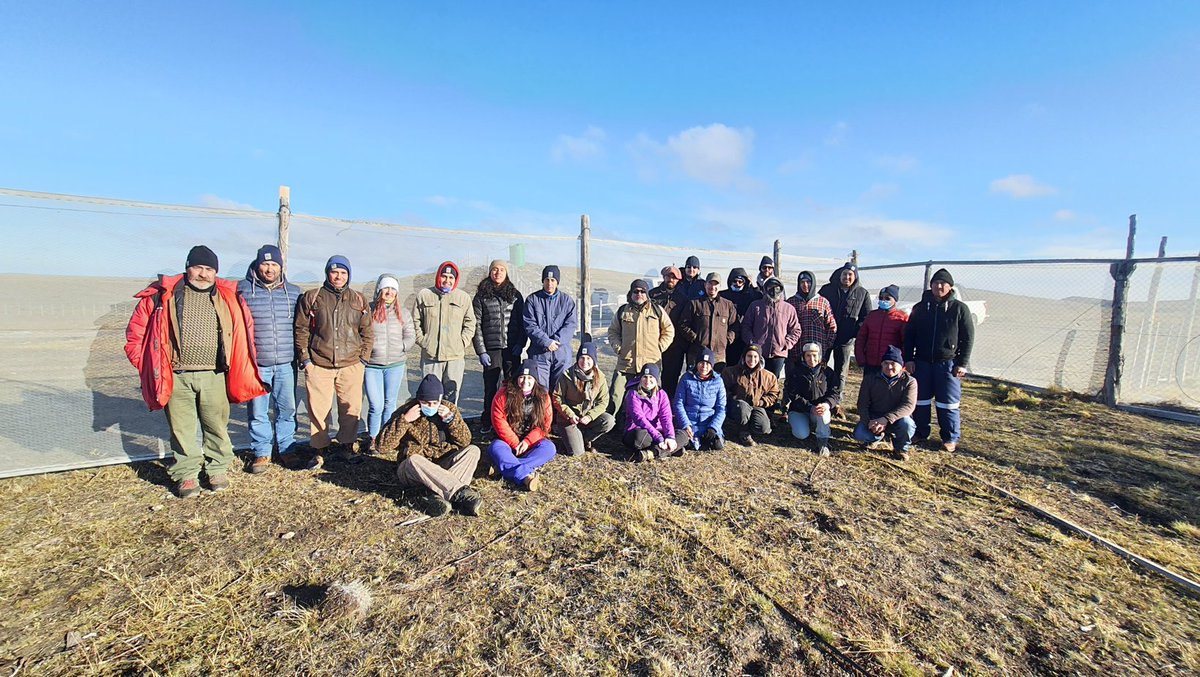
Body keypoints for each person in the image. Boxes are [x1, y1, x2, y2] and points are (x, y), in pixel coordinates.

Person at [125, 245, 266, 497]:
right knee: (182, 427)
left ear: (215, 272)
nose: (203, 274)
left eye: (209, 269)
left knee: (216, 424)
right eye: (198, 267)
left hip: (215, 373)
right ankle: (187, 474)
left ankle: (217, 468)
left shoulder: (228, 297)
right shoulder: (162, 297)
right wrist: (148, 365)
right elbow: (136, 334)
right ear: (187, 267)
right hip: (176, 374)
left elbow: (245, 332)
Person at [295, 255, 373, 469]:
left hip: (351, 364)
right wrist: (306, 360)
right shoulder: (313, 297)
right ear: (327, 273)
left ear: (349, 275)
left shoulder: (358, 300)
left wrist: (363, 360)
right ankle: (319, 450)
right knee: (318, 410)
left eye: (343, 273)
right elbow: (301, 329)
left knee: (351, 408)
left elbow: (367, 331)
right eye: (334, 272)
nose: (338, 276)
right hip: (319, 363)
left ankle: (347, 447)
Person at [377, 374, 483, 517]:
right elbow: (381, 446)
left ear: (440, 399)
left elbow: (465, 441)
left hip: (442, 463)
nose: (431, 406)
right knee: (414, 460)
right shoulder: (406, 411)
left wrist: (451, 421)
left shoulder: (449, 408)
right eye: (426, 402)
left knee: (473, 450)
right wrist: (405, 420)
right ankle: (459, 495)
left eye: (435, 402)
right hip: (413, 469)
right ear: (418, 399)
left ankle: (433, 496)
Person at [237, 244, 303, 472]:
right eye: (265, 264)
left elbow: (301, 326)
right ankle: (262, 452)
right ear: (257, 265)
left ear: (281, 267)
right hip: (257, 364)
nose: (269, 268)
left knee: (286, 409)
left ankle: (287, 448)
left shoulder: (294, 293)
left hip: (286, 362)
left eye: (274, 264)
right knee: (258, 410)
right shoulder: (243, 291)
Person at [903, 268, 974, 452]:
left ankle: (950, 437)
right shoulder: (920, 308)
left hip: (948, 364)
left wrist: (962, 363)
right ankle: (920, 431)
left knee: (948, 402)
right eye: (935, 283)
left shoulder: (959, 309)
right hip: (922, 362)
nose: (939, 286)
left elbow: (968, 338)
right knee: (921, 400)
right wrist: (909, 359)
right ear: (931, 285)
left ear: (950, 286)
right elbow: (909, 335)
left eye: (943, 283)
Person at [363, 273, 416, 455]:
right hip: (372, 365)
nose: (389, 292)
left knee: (389, 403)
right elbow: (359, 333)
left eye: (393, 289)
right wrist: (366, 352)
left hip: (395, 365)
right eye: (386, 288)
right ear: (379, 290)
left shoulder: (403, 313)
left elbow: (411, 334)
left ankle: (386, 439)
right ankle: (373, 438)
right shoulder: (368, 311)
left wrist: (402, 346)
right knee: (375, 404)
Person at [472, 259, 527, 432]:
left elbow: (523, 322)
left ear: (506, 273)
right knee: (491, 386)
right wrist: (481, 351)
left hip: (511, 348)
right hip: (492, 349)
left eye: (502, 269)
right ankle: (488, 420)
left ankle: (511, 419)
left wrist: (520, 344)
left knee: (513, 386)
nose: (498, 272)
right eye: (495, 269)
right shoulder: (481, 296)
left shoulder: (515, 295)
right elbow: (476, 325)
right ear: (490, 272)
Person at [412, 261, 476, 406]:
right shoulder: (424, 295)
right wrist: (423, 341)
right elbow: (415, 321)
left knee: (450, 398)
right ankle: (431, 427)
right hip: (431, 357)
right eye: (444, 276)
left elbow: (470, 323)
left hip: (455, 358)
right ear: (438, 277)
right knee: (429, 398)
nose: (447, 280)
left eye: (451, 278)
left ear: (455, 280)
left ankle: (447, 427)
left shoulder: (463, 298)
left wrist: (462, 342)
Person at [606, 278, 674, 414]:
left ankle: (649, 424)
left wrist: (659, 347)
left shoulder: (657, 311)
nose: (639, 294)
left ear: (647, 294)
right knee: (616, 395)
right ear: (630, 293)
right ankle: (611, 425)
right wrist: (618, 347)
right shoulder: (623, 311)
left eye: (643, 291)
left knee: (649, 397)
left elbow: (669, 330)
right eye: (636, 291)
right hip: (626, 363)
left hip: (650, 364)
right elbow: (613, 331)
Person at [489, 358, 556, 491]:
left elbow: (545, 424)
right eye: (522, 377)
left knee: (549, 448)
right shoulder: (504, 394)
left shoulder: (543, 397)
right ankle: (525, 476)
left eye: (529, 378)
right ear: (517, 378)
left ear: (535, 380)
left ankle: (505, 468)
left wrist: (527, 441)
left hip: (531, 442)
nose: (525, 382)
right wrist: (515, 443)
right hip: (508, 441)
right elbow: (498, 420)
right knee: (495, 447)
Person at [819, 263, 872, 407]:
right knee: (820, 366)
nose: (847, 277)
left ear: (855, 277)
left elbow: (866, 317)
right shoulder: (827, 290)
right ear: (839, 275)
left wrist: (854, 331)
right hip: (825, 337)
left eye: (850, 275)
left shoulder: (862, 293)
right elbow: (817, 307)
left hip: (845, 340)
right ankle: (819, 394)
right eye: (844, 274)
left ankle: (836, 402)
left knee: (841, 371)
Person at [854, 346, 918, 460]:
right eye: (885, 363)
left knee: (907, 424)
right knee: (859, 434)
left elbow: (908, 406)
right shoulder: (870, 379)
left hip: (898, 418)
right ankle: (875, 438)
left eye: (893, 363)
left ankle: (901, 448)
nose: (889, 367)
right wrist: (868, 421)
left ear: (901, 366)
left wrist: (886, 419)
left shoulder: (910, 382)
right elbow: (862, 404)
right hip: (874, 418)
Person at [552, 342, 616, 455]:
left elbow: (603, 401)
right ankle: (573, 438)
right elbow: (557, 398)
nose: (584, 362)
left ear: (594, 360)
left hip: (587, 417)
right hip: (569, 419)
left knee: (609, 421)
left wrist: (590, 416)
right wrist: (570, 415)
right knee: (577, 453)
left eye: (588, 358)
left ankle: (586, 438)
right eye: (582, 358)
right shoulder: (567, 375)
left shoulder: (600, 377)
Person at [523, 264, 577, 390]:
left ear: (557, 282)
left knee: (560, 390)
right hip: (539, 353)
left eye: (553, 280)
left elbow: (571, 324)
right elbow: (530, 325)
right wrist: (546, 342)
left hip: (561, 353)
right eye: (547, 280)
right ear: (543, 281)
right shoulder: (532, 300)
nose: (550, 283)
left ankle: (558, 411)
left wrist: (556, 341)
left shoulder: (567, 301)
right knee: (541, 390)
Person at [622, 364, 686, 461]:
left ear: (656, 379)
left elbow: (666, 417)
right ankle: (670, 450)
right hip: (638, 430)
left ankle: (653, 453)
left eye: (651, 377)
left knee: (683, 435)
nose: (647, 381)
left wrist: (670, 436)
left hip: (658, 431)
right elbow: (639, 419)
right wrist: (659, 438)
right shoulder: (633, 393)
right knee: (639, 437)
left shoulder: (662, 394)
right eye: (645, 377)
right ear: (640, 378)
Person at [785, 343, 840, 457]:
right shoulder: (796, 372)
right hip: (799, 410)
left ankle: (823, 442)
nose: (812, 359)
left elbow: (835, 392)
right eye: (808, 355)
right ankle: (805, 425)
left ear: (820, 356)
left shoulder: (828, 372)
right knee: (801, 434)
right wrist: (810, 407)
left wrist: (827, 404)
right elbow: (793, 395)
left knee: (824, 412)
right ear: (803, 357)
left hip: (819, 410)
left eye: (815, 355)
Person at [721, 344, 781, 446]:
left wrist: (761, 402)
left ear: (760, 358)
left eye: (755, 356)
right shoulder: (730, 372)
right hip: (737, 406)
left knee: (763, 428)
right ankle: (743, 432)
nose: (752, 359)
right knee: (742, 407)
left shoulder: (769, 376)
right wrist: (733, 397)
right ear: (744, 357)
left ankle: (751, 425)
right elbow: (722, 389)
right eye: (749, 356)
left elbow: (774, 395)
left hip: (756, 406)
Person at [741, 277, 801, 379]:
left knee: (773, 381)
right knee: (756, 379)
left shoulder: (788, 308)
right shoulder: (756, 306)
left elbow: (796, 330)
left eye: (777, 288)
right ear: (765, 289)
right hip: (757, 353)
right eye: (770, 287)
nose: (774, 290)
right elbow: (746, 326)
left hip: (778, 353)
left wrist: (786, 343)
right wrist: (752, 342)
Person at [677, 272, 738, 371]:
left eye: (716, 284)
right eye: (710, 283)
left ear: (720, 286)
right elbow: (683, 324)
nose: (713, 287)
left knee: (716, 384)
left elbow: (735, 326)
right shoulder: (694, 304)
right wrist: (695, 338)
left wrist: (727, 339)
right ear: (705, 285)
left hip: (719, 356)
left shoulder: (728, 305)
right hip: (697, 354)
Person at [673, 348, 727, 451]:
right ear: (697, 363)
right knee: (683, 441)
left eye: (707, 364)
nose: (704, 367)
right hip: (689, 421)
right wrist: (685, 424)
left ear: (712, 366)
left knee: (717, 445)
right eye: (702, 363)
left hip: (708, 422)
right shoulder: (686, 378)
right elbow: (678, 403)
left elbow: (721, 408)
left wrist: (713, 427)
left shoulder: (718, 381)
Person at [855, 284, 907, 377]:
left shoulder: (902, 318)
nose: (883, 300)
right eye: (881, 298)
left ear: (895, 300)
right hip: (871, 363)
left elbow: (906, 342)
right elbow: (861, 338)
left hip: (891, 366)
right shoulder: (871, 316)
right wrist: (860, 358)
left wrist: (902, 362)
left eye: (887, 298)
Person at [788, 270, 837, 360]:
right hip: (796, 350)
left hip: (817, 352)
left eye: (808, 282)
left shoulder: (823, 302)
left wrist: (826, 345)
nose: (805, 285)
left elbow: (832, 325)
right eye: (802, 282)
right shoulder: (791, 302)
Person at [720, 267, 760, 366]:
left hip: (744, 337)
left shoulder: (749, 295)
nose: (737, 284)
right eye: (735, 281)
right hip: (727, 336)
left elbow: (760, 296)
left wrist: (752, 286)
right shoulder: (722, 295)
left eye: (740, 281)